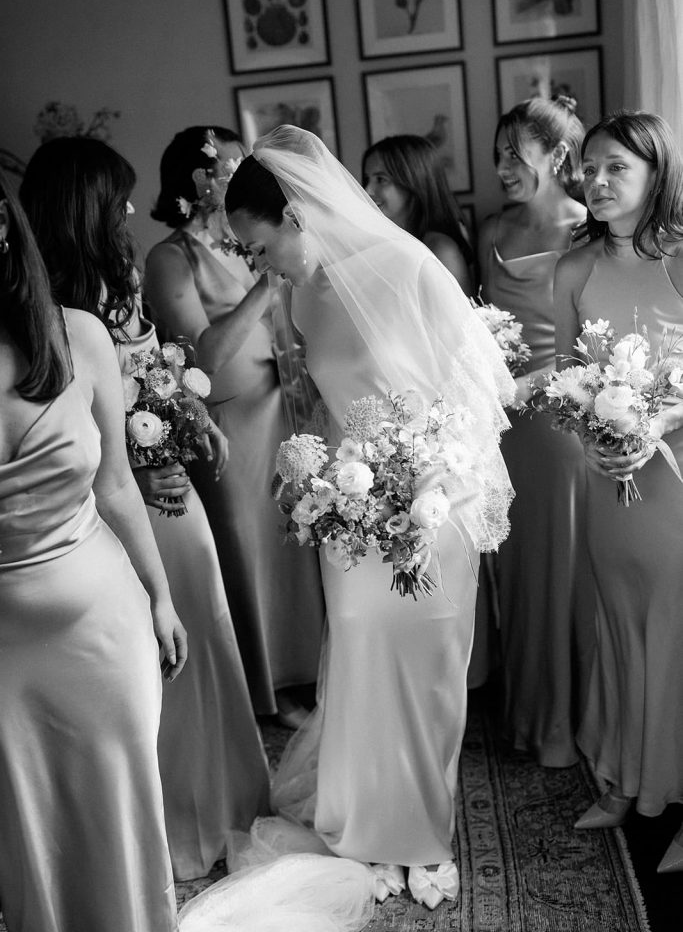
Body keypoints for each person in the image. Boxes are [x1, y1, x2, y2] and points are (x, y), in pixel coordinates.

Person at [177, 124, 514, 928]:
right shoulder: (302, 293)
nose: (260, 266)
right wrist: (314, 480)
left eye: (262, 249)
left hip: (433, 501)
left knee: (427, 669)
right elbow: (324, 406)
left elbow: (480, 389)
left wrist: (433, 485)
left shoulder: (408, 266)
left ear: (297, 216)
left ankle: (420, 832)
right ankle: (367, 823)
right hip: (352, 511)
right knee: (360, 658)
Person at [20, 135, 272, 882]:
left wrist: (192, 420)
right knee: (157, 657)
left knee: (206, 627)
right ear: (83, 208)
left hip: (170, 482)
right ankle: (173, 819)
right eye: (117, 198)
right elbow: (67, 430)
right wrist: (137, 461)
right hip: (119, 500)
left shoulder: (124, 275)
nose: (130, 210)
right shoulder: (52, 311)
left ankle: (230, 800)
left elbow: (159, 364)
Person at [0, 168, 187, 931]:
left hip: (102, 630)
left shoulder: (77, 333)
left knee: (121, 811)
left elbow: (115, 486)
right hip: (5, 654)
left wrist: (161, 596)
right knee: (31, 830)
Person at [145, 126, 324, 725]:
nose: (240, 173)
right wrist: (264, 288)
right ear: (200, 181)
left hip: (283, 410)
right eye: (229, 166)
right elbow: (200, 358)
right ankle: (267, 690)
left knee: (293, 544)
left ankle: (308, 673)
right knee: (249, 554)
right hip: (227, 425)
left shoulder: (242, 242)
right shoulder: (171, 257)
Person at [554, 111, 683, 873]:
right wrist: (590, 440)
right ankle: (627, 779)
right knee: (619, 626)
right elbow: (566, 377)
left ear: (654, 174)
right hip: (608, 484)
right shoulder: (573, 269)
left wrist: (660, 419)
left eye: (615, 169)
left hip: (675, 480)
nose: (596, 182)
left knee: (677, 633)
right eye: (589, 167)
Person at [477, 96, 596, 768]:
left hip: (559, 426)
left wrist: (536, 383)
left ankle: (566, 724)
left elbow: (592, 337)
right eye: (498, 154)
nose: (501, 167)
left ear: (556, 156)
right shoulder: (492, 228)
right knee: (518, 572)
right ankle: (529, 716)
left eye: (513, 154)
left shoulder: (586, 230)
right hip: (503, 427)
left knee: (562, 570)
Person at [362, 134, 474, 292]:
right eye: (367, 179)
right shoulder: (377, 244)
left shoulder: (441, 250)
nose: (367, 190)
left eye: (381, 179)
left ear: (413, 181)